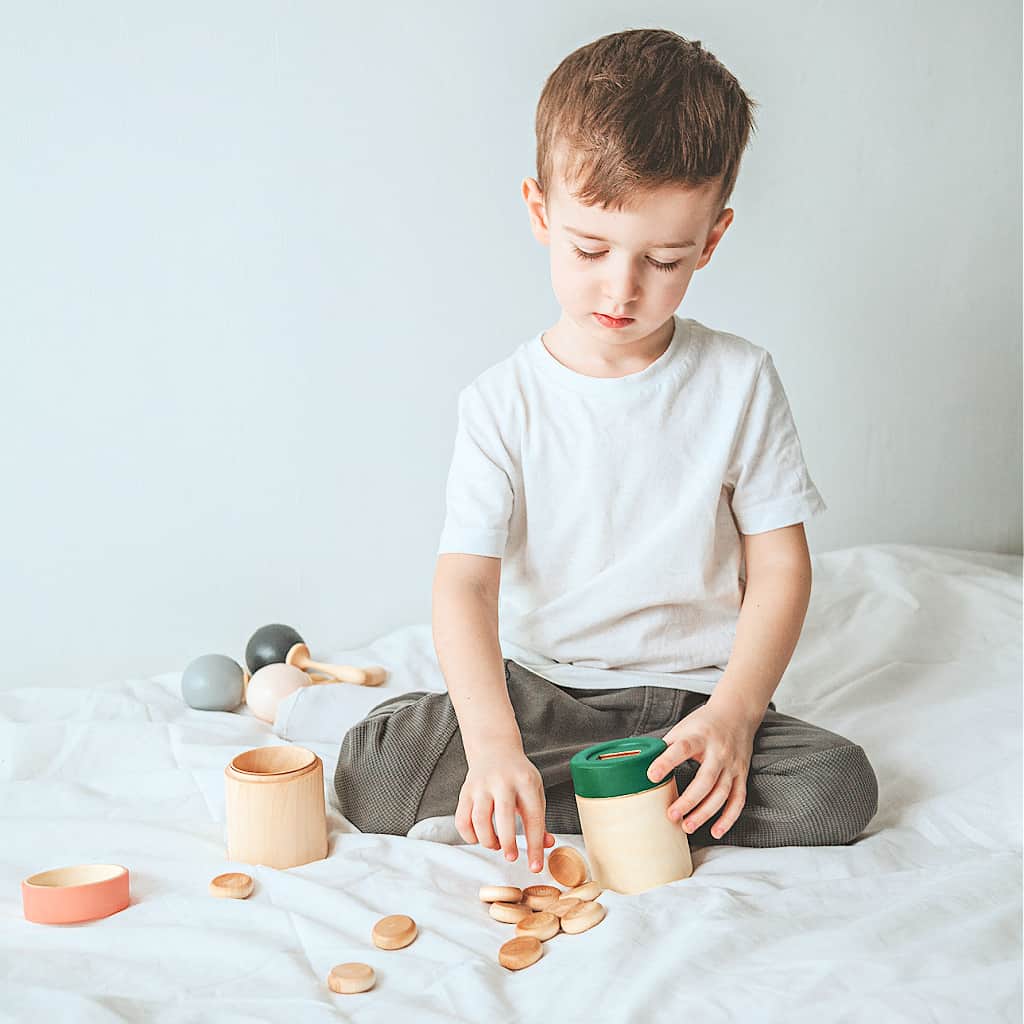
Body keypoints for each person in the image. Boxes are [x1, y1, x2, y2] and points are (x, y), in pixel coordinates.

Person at [334, 28, 878, 874]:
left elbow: (780, 569)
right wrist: (492, 746)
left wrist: (734, 716)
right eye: (590, 250)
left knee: (837, 789)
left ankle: (594, 802)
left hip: (691, 708)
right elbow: (466, 583)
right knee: (375, 771)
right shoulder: (500, 402)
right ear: (540, 211)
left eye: (664, 260)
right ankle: (599, 802)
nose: (621, 289)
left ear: (713, 240)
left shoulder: (740, 380)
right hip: (543, 694)